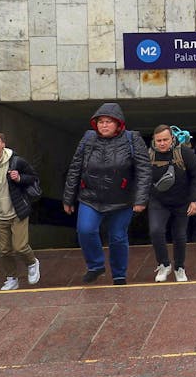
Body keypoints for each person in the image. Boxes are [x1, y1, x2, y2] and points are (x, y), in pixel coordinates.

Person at [63, 103, 151, 286]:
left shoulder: (132, 139)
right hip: (90, 197)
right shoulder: (88, 138)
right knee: (85, 230)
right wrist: (68, 198)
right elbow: (75, 169)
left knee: (117, 237)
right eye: (101, 121)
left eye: (109, 122)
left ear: (118, 124)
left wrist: (141, 199)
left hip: (122, 199)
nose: (104, 125)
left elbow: (144, 170)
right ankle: (95, 265)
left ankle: (119, 275)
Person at [0, 132, 42, 291]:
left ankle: (32, 262)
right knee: (5, 251)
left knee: (20, 246)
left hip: (18, 211)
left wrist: (19, 178)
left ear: (3, 144)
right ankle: (11, 278)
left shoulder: (16, 161)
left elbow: (33, 178)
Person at [148, 124, 196, 282]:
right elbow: (141, 179)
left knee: (179, 235)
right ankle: (164, 264)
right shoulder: (148, 155)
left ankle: (179, 267)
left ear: (172, 138)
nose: (162, 143)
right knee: (156, 231)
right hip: (158, 201)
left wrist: (195, 200)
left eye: (165, 139)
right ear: (154, 140)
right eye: (159, 140)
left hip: (182, 201)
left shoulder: (184, 153)